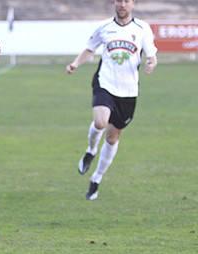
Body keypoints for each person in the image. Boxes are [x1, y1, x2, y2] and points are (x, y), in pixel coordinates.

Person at [66, 0, 158, 200]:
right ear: (114, 3)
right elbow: (90, 48)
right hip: (105, 83)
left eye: (126, 1)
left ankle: (96, 179)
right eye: (119, 1)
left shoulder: (142, 28)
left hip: (128, 91)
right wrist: (75, 63)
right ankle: (90, 150)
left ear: (133, 4)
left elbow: (151, 53)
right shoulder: (104, 27)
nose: (122, 4)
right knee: (100, 121)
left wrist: (151, 62)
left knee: (112, 137)